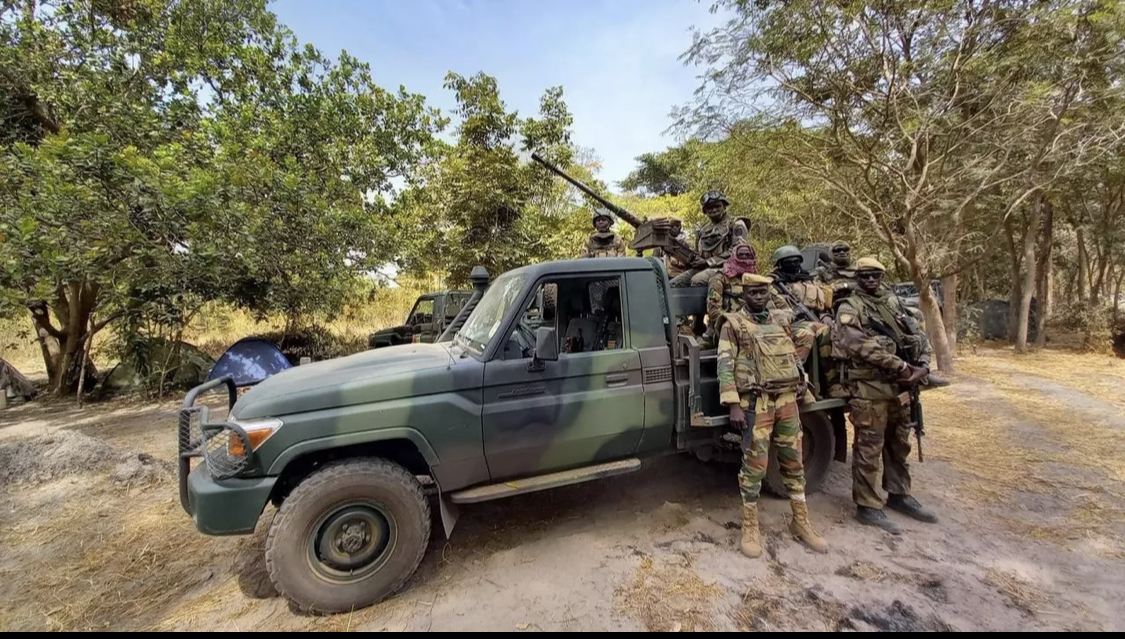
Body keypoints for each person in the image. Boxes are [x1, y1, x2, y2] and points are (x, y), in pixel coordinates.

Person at [718, 273, 829, 558]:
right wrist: (733, 404)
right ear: (744, 294)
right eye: (753, 293)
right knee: (755, 465)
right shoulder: (734, 325)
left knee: (794, 462)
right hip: (757, 402)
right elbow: (725, 364)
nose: (758, 297)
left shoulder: (780, 321)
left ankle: (801, 521)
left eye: (762, 292)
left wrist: (799, 378)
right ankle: (750, 525)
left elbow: (798, 345)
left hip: (787, 401)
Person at [835, 257, 938, 535]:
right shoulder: (849, 308)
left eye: (875, 275)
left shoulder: (892, 303)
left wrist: (924, 365)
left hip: (900, 388)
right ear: (857, 277)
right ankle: (867, 506)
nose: (870, 280)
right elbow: (857, 344)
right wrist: (902, 367)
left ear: (882, 277)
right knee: (869, 448)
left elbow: (916, 335)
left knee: (899, 443)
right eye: (865, 276)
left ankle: (899, 493)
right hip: (870, 389)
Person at [768, 246, 833, 364]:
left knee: (828, 331)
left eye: (796, 261)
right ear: (780, 264)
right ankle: (795, 370)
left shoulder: (808, 279)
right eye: (789, 262)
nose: (793, 264)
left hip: (813, 319)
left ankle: (830, 377)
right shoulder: (773, 283)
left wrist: (825, 315)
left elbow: (821, 302)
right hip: (788, 324)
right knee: (807, 334)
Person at [669, 191, 748, 287]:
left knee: (697, 280)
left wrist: (708, 262)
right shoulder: (703, 230)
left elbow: (737, 251)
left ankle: (706, 302)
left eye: (717, 206)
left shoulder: (736, 224)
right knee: (673, 284)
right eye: (710, 207)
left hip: (729, 267)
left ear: (724, 206)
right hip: (705, 267)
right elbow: (698, 253)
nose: (714, 210)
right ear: (705, 210)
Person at [706, 241, 758, 335]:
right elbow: (713, 312)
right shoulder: (720, 278)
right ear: (734, 256)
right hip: (726, 327)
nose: (744, 257)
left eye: (747, 254)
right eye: (740, 254)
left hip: (755, 325)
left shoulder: (756, 278)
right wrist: (737, 321)